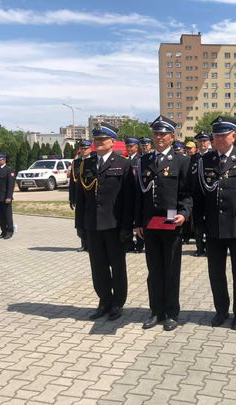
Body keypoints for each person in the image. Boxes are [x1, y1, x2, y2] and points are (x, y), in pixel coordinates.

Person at [194, 116, 236, 330]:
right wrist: (199, 224)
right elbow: (199, 195)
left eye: (224, 135)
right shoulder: (205, 160)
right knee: (216, 273)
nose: (220, 139)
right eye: (217, 135)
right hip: (213, 226)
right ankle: (221, 310)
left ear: (233, 136)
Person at [134, 115, 192, 331]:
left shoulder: (181, 160)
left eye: (163, 134)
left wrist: (184, 214)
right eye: (156, 134)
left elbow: (187, 193)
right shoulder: (144, 160)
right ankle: (155, 311)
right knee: (154, 270)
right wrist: (138, 222)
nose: (159, 137)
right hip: (150, 224)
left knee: (171, 269)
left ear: (172, 137)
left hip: (171, 222)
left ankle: (171, 313)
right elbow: (139, 195)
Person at [78, 123, 134, 321]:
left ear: (112, 142)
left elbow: (129, 199)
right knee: (98, 266)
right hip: (92, 225)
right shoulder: (86, 164)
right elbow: (81, 198)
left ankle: (117, 303)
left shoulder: (123, 164)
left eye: (103, 139)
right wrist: (80, 225)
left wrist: (127, 226)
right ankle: (104, 301)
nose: (99, 142)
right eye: (96, 139)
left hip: (114, 225)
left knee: (117, 266)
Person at [189, 132, 212, 256]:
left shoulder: (213, 156)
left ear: (209, 142)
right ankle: (199, 247)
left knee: (209, 222)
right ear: (197, 143)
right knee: (197, 223)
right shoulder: (193, 158)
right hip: (196, 196)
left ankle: (209, 247)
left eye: (205, 141)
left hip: (210, 195)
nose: (202, 143)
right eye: (200, 141)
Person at [69, 140, 92, 252]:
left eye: (85, 148)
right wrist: (71, 198)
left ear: (90, 149)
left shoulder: (94, 161)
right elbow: (72, 182)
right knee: (80, 221)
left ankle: (91, 244)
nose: (83, 151)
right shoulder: (76, 162)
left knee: (89, 220)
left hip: (89, 195)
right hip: (79, 195)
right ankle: (84, 243)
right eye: (81, 149)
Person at [124, 137, 144, 253]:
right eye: (127, 146)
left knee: (138, 220)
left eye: (131, 146)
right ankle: (129, 243)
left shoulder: (140, 160)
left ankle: (140, 244)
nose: (129, 148)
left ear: (136, 147)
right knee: (128, 220)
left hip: (137, 193)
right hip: (128, 195)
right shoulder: (125, 161)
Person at [0, 153, 16, 239]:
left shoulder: (9, 170)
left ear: (4, 160)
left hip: (5, 196)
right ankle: (3, 231)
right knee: (0, 217)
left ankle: (10, 231)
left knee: (7, 215)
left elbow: (11, 185)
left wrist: (9, 196)